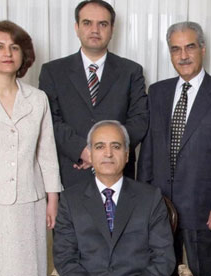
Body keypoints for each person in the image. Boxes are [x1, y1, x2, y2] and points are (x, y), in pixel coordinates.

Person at [137, 21, 211, 275]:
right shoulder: (157, 92)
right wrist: (142, 200)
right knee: (161, 269)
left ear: (202, 49)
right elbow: (148, 151)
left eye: (190, 47)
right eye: (175, 49)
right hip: (160, 204)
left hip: (204, 208)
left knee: (204, 269)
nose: (183, 56)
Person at [0, 20, 61, 275]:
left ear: (24, 55)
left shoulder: (37, 99)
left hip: (28, 203)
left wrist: (52, 198)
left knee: (27, 267)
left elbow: (46, 153)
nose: (7, 54)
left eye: (14, 47)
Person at [39, 0, 148, 188]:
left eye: (103, 24)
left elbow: (140, 120)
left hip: (119, 176)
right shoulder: (53, 71)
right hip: (70, 173)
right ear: (77, 27)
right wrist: (83, 151)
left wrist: (107, 152)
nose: (95, 30)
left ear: (112, 29)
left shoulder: (131, 71)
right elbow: (50, 120)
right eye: (87, 23)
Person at [53, 120, 175, 275]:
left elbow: (163, 258)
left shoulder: (150, 198)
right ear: (90, 154)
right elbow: (65, 258)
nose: (108, 153)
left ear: (126, 155)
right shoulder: (70, 200)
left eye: (116, 146)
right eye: (100, 146)